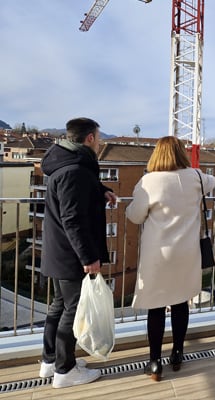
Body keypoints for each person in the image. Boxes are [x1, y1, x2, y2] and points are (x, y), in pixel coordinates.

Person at [126, 136, 215, 381]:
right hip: (187, 252)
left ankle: (155, 363)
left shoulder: (149, 181)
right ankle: (177, 353)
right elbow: (214, 181)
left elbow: (135, 216)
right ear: (181, 153)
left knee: (156, 307)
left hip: (159, 254)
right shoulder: (196, 177)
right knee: (180, 301)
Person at [39, 117, 117, 389]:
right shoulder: (75, 170)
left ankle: (50, 361)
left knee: (59, 305)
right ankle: (65, 370)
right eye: (100, 138)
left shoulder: (66, 163)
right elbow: (73, 218)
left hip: (59, 249)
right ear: (90, 139)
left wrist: (101, 190)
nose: (100, 143)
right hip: (72, 253)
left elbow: (74, 196)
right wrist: (88, 257)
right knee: (72, 309)